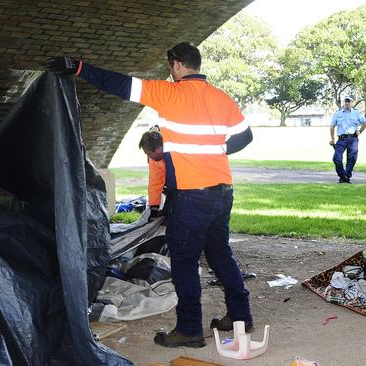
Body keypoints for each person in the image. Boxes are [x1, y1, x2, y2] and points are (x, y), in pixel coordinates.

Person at [47, 42, 254, 347]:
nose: (170, 72)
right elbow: (246, 135)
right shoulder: (221, 96)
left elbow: (120, 84)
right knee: (221, 254)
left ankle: (189, 330)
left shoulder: (169, 93)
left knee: (183, 263)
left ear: (177, 65)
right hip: (223, 192)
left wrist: (79, 68)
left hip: (193, 196)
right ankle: (240, 317)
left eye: (171, 67)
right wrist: (219, 149)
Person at [329, 96, 366, 183]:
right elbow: (332, 126)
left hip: (353, 138)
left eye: (348, 101)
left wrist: (360, 131)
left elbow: (365, 122)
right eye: (345, 101)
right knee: (336, 158)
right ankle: (343, 176)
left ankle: (346, 177)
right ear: (343, 102)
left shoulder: (356, 113)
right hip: (341, 139)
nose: (347, 103)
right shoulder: (338, 113)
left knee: (352, 159)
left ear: (351, 103)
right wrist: (332, 138)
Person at [138, 128, 167, 217]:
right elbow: (155, 183)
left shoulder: (175, 154)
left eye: (149, 153)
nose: (148, 156)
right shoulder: (153, 159)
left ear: (159, 148)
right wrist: (154, 208)